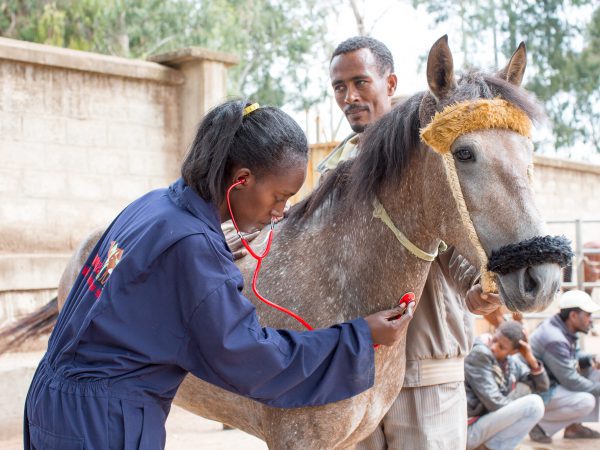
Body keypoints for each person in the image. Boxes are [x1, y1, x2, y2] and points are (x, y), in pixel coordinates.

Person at [23, 100, 415, 450]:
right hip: (103, 425)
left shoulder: (155, 205)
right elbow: (249, 356)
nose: (281, 212)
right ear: (241, 179)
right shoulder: (192, 246)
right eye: (279, 197)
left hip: (53, 402)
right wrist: (360, 336)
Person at [320, 36, 502, 450]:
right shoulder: (334, 168)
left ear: (390, 82)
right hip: (356, 374)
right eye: (339, 87)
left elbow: (457, 247)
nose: (349, 96)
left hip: (426, 375)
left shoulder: (433, 153)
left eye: (360, 82)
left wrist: (478, 288)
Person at [529, 289, 600, 442]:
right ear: (573, 316)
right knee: (586, 401)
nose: (591, 320)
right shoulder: (554, 338)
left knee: (596, 373)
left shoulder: (563, 327)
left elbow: (575, 356)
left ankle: (574, 427)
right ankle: (539, 424)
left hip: (552, 383)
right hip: (540, 391)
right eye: (588, 315)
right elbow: (570, 380)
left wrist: (592, 359)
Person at [464, 321, 549, 450]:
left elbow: (542, 387)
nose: (494, 347)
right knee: (533, 404)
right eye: (494, 340)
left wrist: (530, 358)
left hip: (482, 429)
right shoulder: (479, 353)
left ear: (514, 352)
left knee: (531, 398)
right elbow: (494, 403)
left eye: (502, 347)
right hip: (467, 431)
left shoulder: (512, 363)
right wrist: (517, 408)